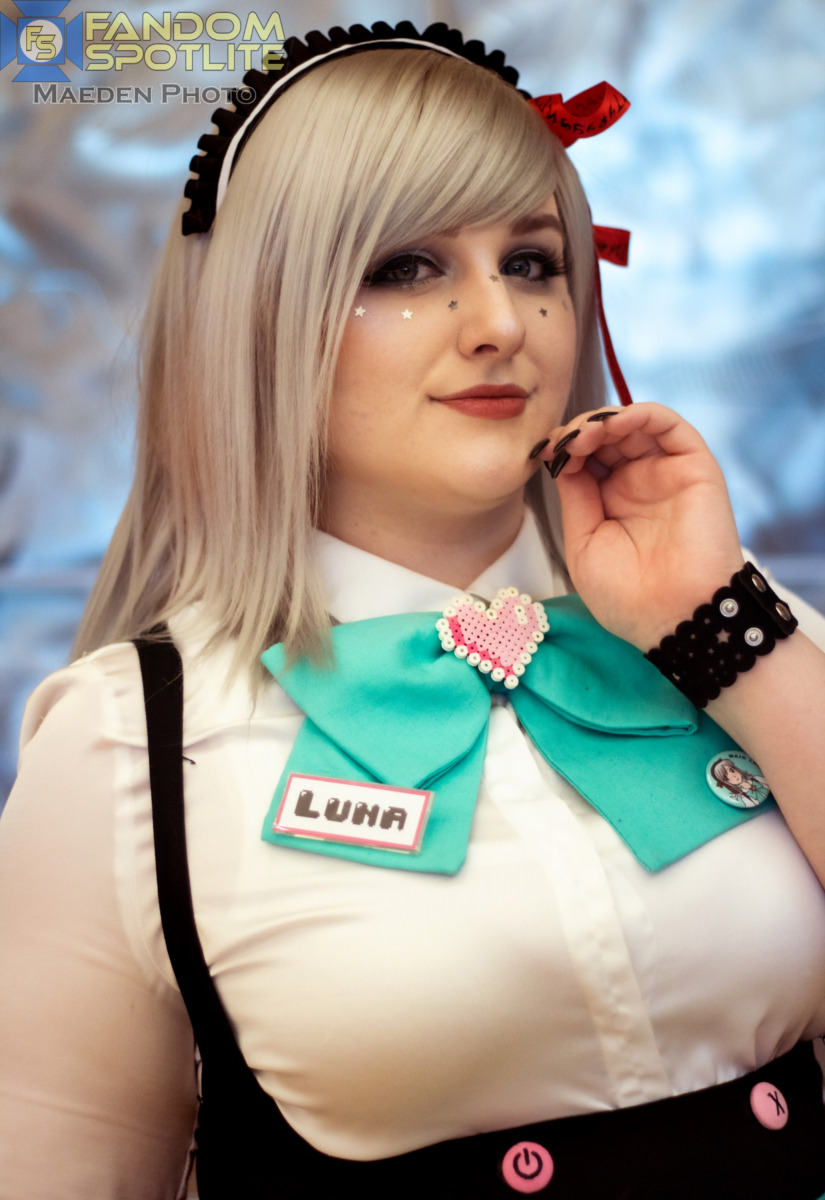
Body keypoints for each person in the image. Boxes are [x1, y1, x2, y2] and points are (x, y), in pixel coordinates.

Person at [2, 20, 825, 1200]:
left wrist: (720, 626)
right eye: (404, 269)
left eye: (531, 262)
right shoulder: (126, 744)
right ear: (260, 315)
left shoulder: (732, 622)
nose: (499, 323)